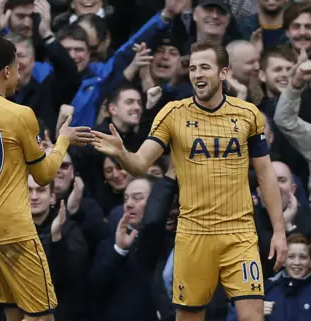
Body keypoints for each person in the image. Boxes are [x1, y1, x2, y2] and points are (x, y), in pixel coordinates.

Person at [90, 40, 288, 321]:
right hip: (193, 235)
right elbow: (140, 164)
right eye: (193, 68)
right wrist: (121, 152)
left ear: (223, 72)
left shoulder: (247, 115)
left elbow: (266, 173)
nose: (197, 74)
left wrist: (279, 231)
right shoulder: (172, 114)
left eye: (205, 67)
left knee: (252, 316)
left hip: (240, 233)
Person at [0, 37, 94, 321]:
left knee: (13, 312)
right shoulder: (21, 114)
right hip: (14, 227)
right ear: (6, 71)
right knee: (43, 316)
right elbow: (44, 175)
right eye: (16, 66)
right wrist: (63, 141)